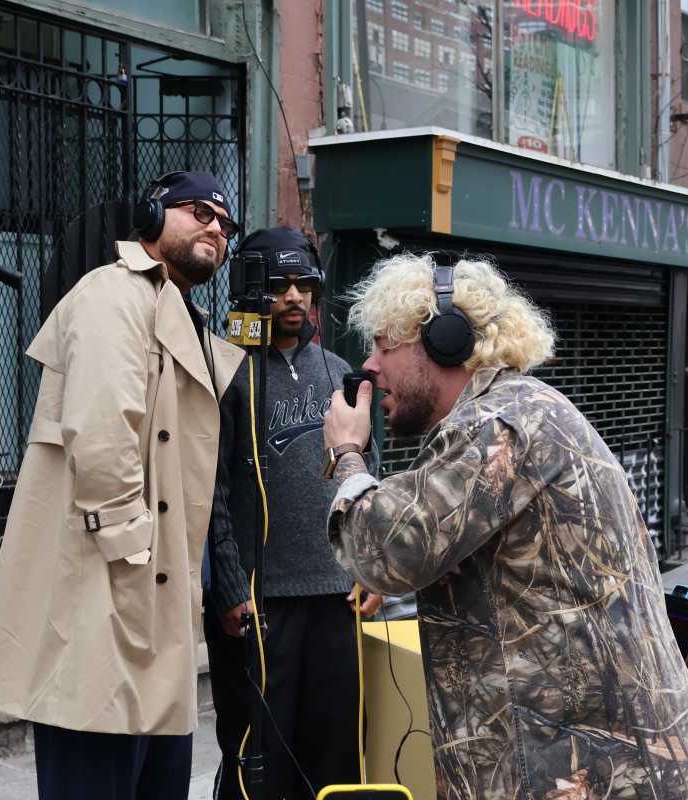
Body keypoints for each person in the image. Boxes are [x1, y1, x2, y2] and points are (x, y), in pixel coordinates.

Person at [321, 253, 688, 800]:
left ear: (445, 342)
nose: (371, 366)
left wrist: (346, 454)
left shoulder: (501, 424)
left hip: (588, 774)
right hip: (591, 766)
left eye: (386, 345)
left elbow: (388, 549)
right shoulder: (519, 411)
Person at [0, 171, 247, 800]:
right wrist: (133, 550)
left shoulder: (186, 316)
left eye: (226, 225)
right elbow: (101, 430)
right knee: (94, 766)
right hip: (109, 599)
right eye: (200, 212)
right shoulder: (110, 293)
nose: (216, 229)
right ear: (152, 215)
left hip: (156, 610)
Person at [204, 226, 382, 800]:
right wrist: (230, 586)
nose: (293, 298)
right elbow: (208, 489)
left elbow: (364, 480)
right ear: (251, 289)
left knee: (335, 755)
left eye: (303, 284)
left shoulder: (337, 369)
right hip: (262, 604)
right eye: (278, 286)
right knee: (257, 758)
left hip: (336, 601)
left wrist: (372, 568)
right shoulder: (226, 371)